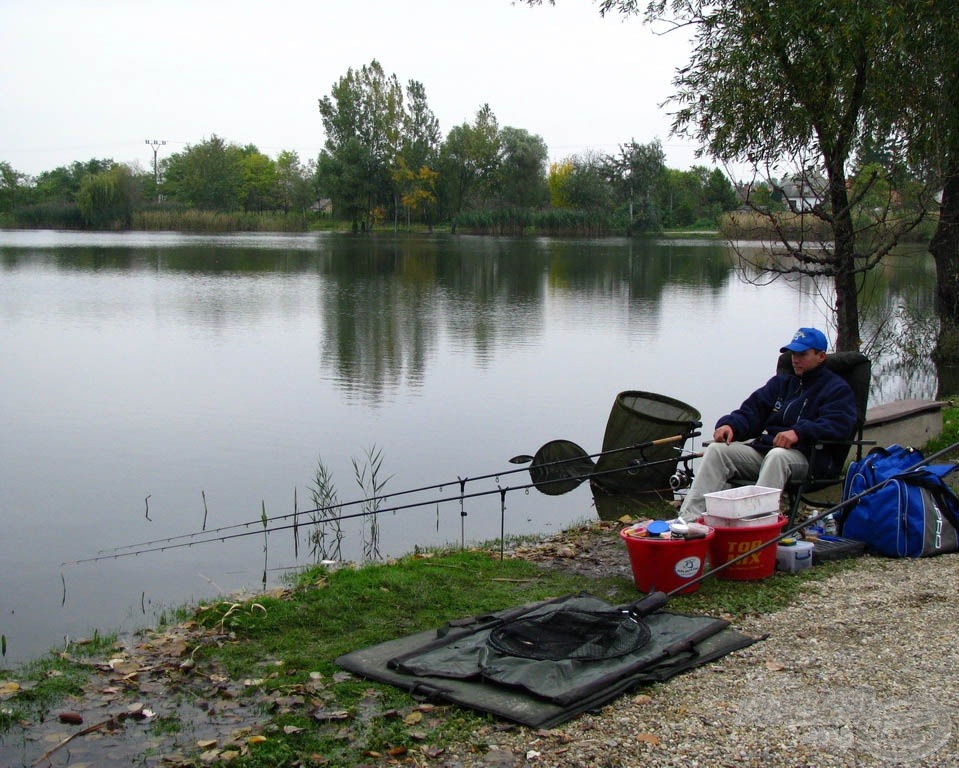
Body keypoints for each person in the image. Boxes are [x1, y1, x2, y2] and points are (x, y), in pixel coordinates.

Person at [678, 327, 858, 522]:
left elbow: (838, 426)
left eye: (802, 354)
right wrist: (731, 426)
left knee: (777, 456)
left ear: (821, 356)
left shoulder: (836, 389)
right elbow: (751, 412)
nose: (795, 359)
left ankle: (754, 525)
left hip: (812, 459)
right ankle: (688, 521)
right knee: (717, 451)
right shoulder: (781, 384)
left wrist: (799, 432)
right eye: (793, 354)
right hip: (768, 452)